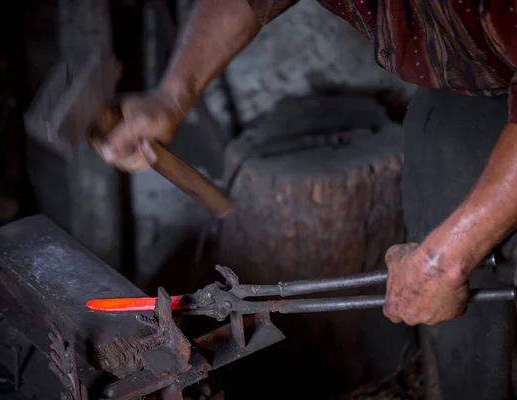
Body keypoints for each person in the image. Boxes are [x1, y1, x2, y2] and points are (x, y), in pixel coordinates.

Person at [90, 1, 517, 398]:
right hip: (472, 83)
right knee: (463, 292)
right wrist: (170, 97)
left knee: (454, 262)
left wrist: (444, 260)